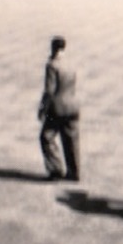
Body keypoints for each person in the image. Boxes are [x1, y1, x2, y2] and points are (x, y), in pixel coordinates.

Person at [38, 36, 80, 181]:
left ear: (53, 48)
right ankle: (74, 172)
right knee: (71, 140)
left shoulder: (52, 65)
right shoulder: (71, 64)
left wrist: (42, 108)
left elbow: (49, 91)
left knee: (46, 137)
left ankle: (56, 170)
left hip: (57, 108)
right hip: (73, 106)